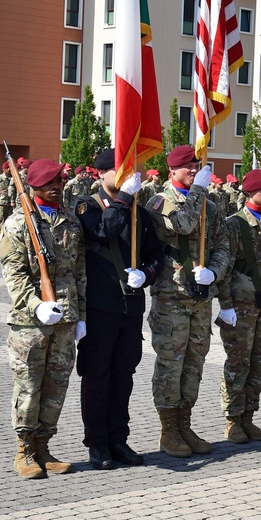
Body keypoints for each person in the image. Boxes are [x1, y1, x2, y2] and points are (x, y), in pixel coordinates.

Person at [75, 148, 164, 470]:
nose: (127, 176)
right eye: (119, 170)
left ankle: (118, 439)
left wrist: (147, 275)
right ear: (100, 174)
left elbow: (157, 254)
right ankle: (97, 443)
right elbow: (103, 231)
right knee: (97, 376)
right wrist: (124, 198)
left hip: (130, 307)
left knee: (123, 376)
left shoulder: (138, 211)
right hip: (100, 307)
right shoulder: (86, 206)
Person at [0, 158, 86, 479]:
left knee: (57, 384)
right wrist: (35, 304)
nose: (56, 186)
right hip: (30, 323)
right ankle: (24, 449)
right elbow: (15, 275)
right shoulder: (17, 224)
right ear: (33, 186)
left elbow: (79, 273)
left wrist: (82, 316)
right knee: (29, 384)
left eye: (59, 180)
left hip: (65, 318)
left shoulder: (70, 223)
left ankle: (44, 445)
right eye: (49, 182)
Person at [145, 145, 230, 458]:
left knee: (194, 362)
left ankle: (185, 423)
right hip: (172, 296)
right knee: (171, 363)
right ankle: (168, 430)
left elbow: (223, 244)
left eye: (197, 167)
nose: (194, 171)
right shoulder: (160, 200)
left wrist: (215, 272)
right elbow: (182, 224)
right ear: (172, 171)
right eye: (188, 167)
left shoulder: (208, 202)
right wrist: (197, 190)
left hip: (200, 296)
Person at [216, 169, 261, 443]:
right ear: (249, 191)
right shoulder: (234, 224)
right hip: (241, 305)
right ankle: (233, 420)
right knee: (238, 363)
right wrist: (225, 305)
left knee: (259, 362)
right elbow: (225, 264)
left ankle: (249, 417)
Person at [0, 161, 17, 240]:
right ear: (4, 169)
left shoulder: (14, 178)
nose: (9, 170)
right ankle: (0, 235)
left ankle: (8, 236)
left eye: (10, 168)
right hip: (2, 202)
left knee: (10, 220)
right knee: (1, 219)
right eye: (7, 168)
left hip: (11, 202)